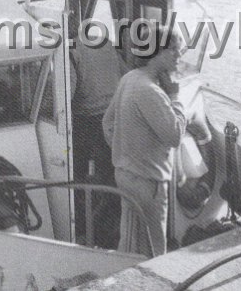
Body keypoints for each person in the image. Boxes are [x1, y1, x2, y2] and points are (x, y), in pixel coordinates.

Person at [102, 23, 210, 257]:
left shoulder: (130, 78)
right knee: (154, 250)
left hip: (126, 176)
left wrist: (126, 153)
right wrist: (174, 96)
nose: (179, 56)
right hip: (148, 184)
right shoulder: (151, 91)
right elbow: (174, 136)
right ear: (156, 53)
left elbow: (108, 123)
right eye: (173, 50)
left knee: (130, 242)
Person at [70, 25, 126, 247]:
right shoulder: (106, 44)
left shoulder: (71, 50)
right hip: (114, 117)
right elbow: (125, 73)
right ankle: (113, 226)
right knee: (111, 174)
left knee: (78, 173)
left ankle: (84, 225)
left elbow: (70, 91)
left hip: (87, 121)